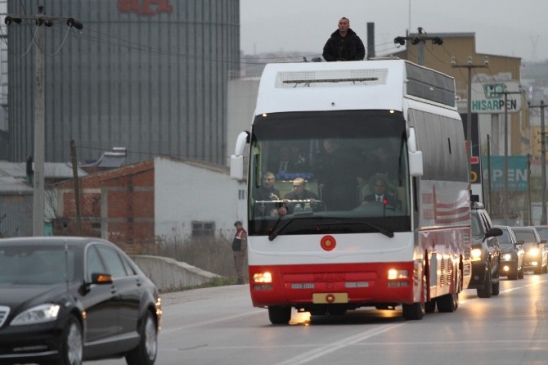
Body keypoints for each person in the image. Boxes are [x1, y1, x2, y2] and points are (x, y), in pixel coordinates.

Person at [315, 139, 361, 210]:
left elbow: (358, 164)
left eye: (329, 149)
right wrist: (324, 182)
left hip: (346, 188)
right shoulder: (328, 157)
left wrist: (359, 175)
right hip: (334, 189)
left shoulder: (347, 154)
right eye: (326, 150)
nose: (328, 152)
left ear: (335, 146)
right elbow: (328, 171)